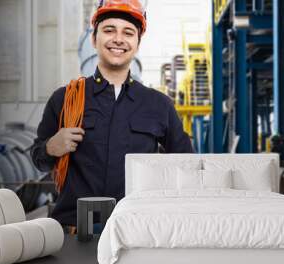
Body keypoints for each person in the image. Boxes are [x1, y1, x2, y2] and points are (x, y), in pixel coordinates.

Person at [30, 0, 193, 228]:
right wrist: (50, 148)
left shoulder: (159, 105)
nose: (118, 39)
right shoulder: (64, 98)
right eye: (109, 30)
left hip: (137, 229)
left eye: (128, 33)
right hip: (74, 229)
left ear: (137, 44)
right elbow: (38, 157)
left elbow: (186, 165)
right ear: (94, 39)